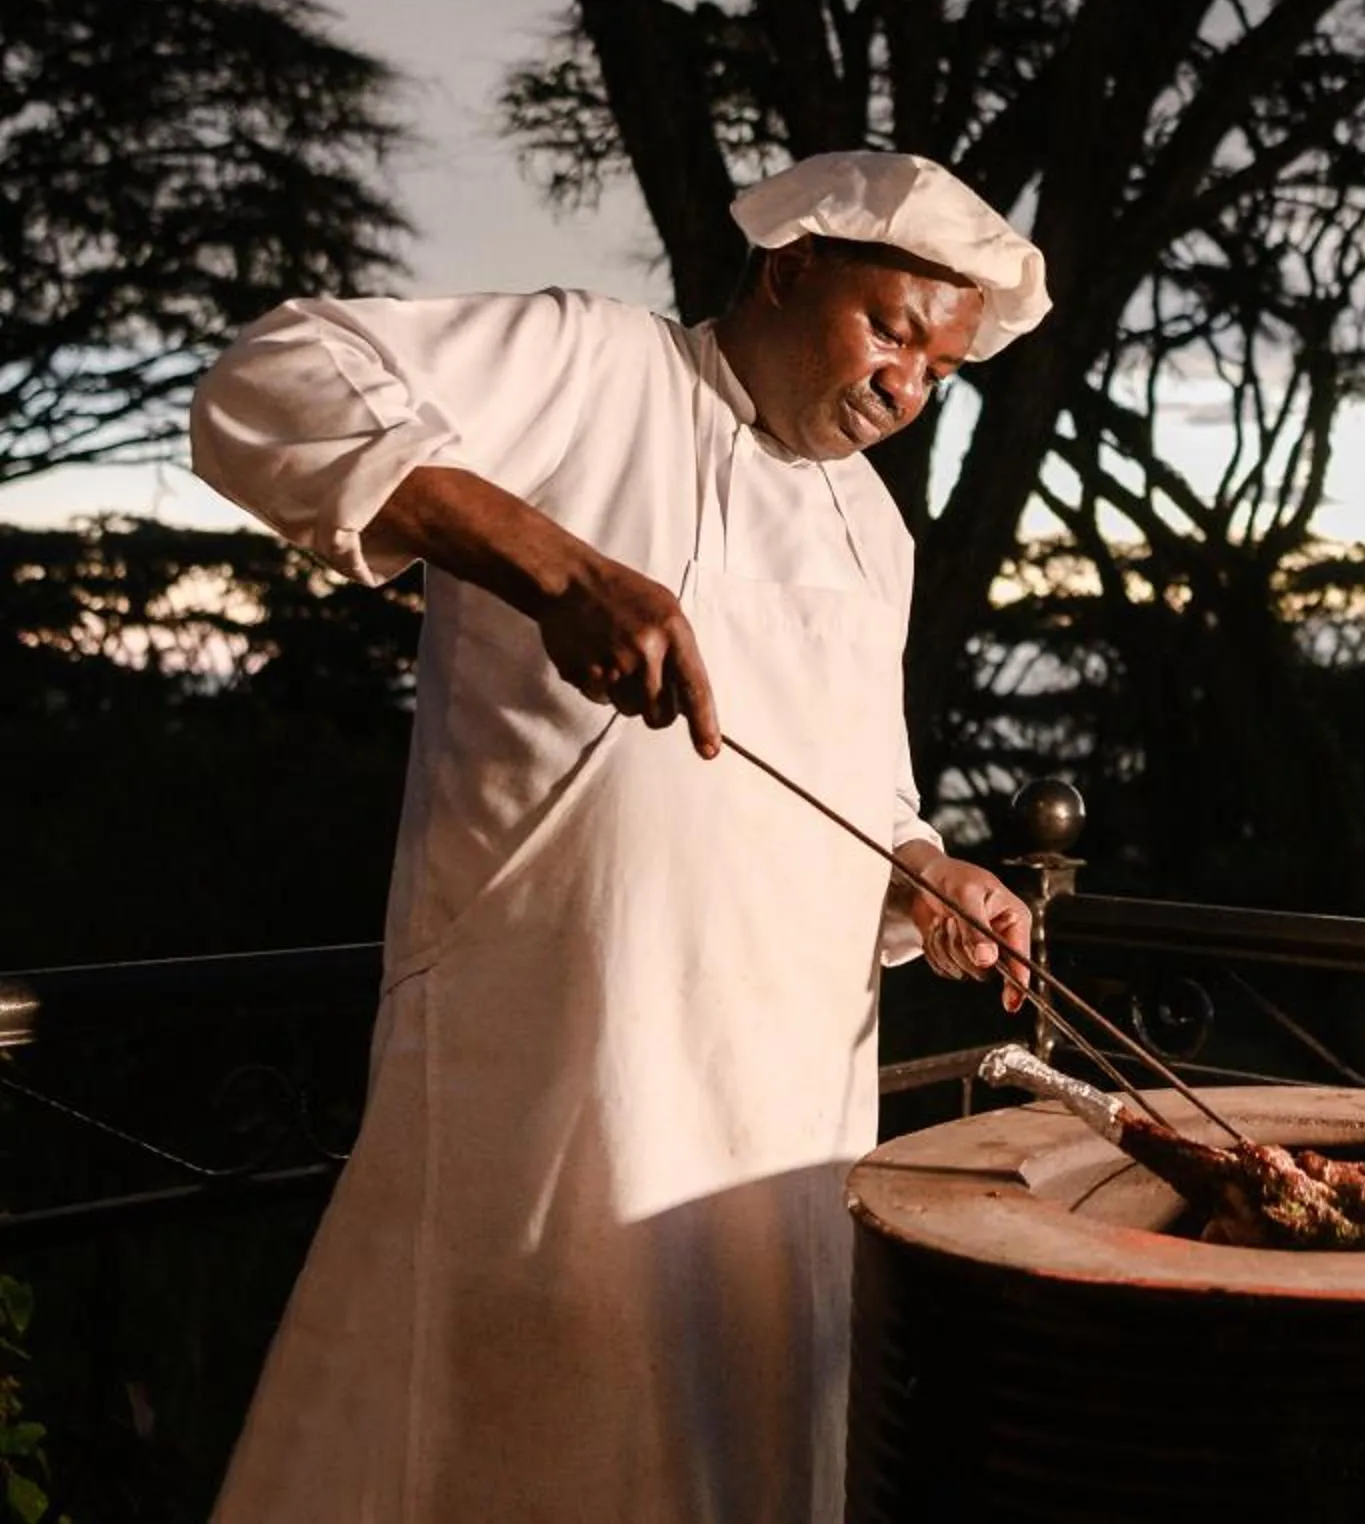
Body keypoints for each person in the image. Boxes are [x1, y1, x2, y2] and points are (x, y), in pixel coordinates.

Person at [189, 151, 1052, 1524]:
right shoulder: (598, 364)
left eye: (940, 369)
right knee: (517, 1442)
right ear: (788, 267)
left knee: (754, 1442)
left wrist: (929, 874)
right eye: (891, 330)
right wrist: (560, 569)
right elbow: (271, 376)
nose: (906, 388)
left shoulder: (874, 532)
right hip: (562, 1068)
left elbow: (862, 788)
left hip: (782, 1111)